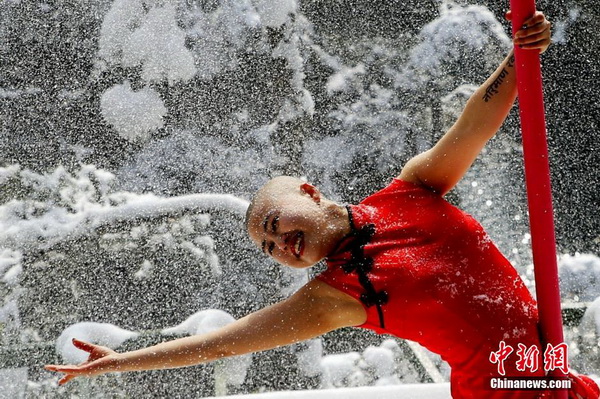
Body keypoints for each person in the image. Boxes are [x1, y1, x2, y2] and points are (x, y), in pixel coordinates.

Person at [46, 11, 599, 399]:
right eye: (267, 248)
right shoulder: (337, 296)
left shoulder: (412, 189)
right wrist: (125, 362)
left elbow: (476, 122)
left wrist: (519, 57)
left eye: (272, 223)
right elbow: (225, 342)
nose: (276, 245)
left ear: (309, 192)